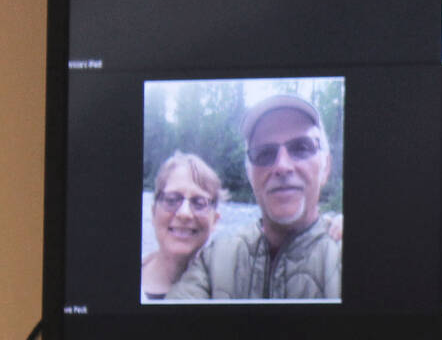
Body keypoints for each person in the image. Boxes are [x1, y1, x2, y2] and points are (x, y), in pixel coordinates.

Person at [168, 92, 341, 301]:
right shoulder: (213, 262)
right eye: (265, 153)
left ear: (326, 168)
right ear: (250, 174)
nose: (282, 166)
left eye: (301, 148)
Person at [141, 152, 221, 301]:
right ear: (153, 213)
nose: (184, 213)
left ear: (214, 221)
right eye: (172, 200)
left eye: (199, 202)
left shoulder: (229, 290)